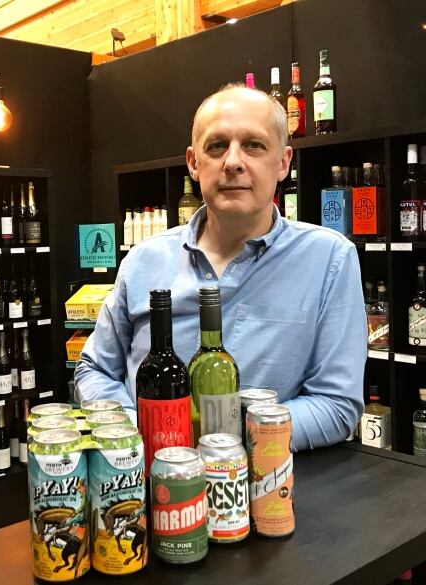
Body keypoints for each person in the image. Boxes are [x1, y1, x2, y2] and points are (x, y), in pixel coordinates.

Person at [75, 84, 366, 451]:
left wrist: (221, 441)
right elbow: (95, 370)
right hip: (151, 480)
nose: (233, 162)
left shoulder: (329, 260)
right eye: (216, 146)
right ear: (194, 163)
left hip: (268, 488)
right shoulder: (142, 261)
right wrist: (143, 431)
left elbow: (337, 405)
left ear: (283, 163)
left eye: (254, 145)